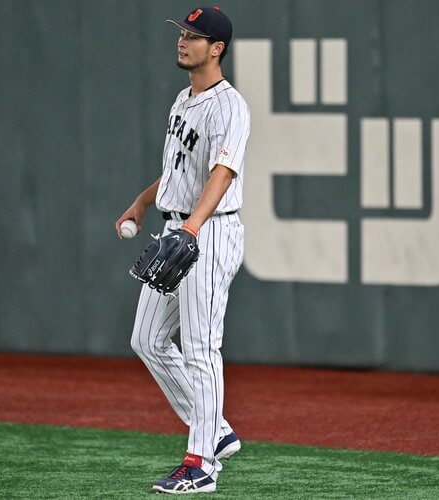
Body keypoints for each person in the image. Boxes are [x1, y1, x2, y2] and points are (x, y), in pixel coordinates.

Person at [115, 5, 250, 495]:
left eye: (194, 36)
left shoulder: (230, 106)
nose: (183, 40)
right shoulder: (181, 100)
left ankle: (201, 465)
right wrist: (140, 203)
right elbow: (176, 175)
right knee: (147, 339)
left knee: (200, 347)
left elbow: (223, 173)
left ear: (216, 49)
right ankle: (214, 429)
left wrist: (192, 227)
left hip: (209, 232)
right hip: (178, 226)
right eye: (182, 32)